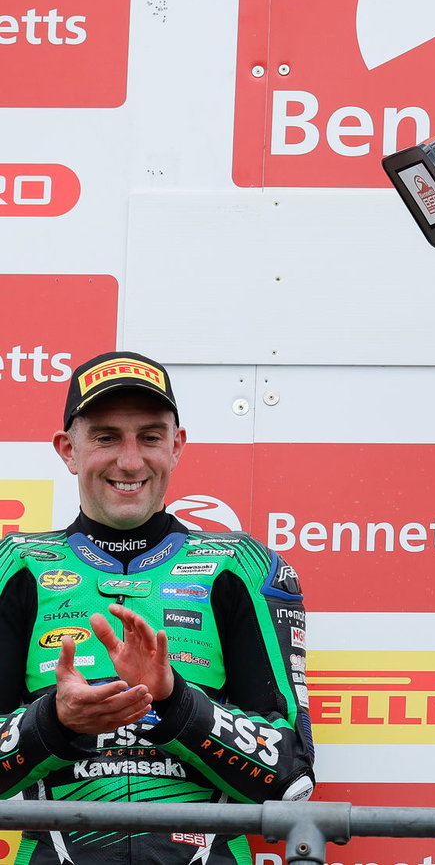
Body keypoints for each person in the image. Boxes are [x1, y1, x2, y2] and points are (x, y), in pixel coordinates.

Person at [0, 351, 315, 865]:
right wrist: (54, 720)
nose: (130, 462)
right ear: (68, 450)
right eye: (106, 438)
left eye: (149, 437)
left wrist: (175, 700)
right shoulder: (15, 565)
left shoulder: (242, 566)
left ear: (176, 446)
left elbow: (291, 777)